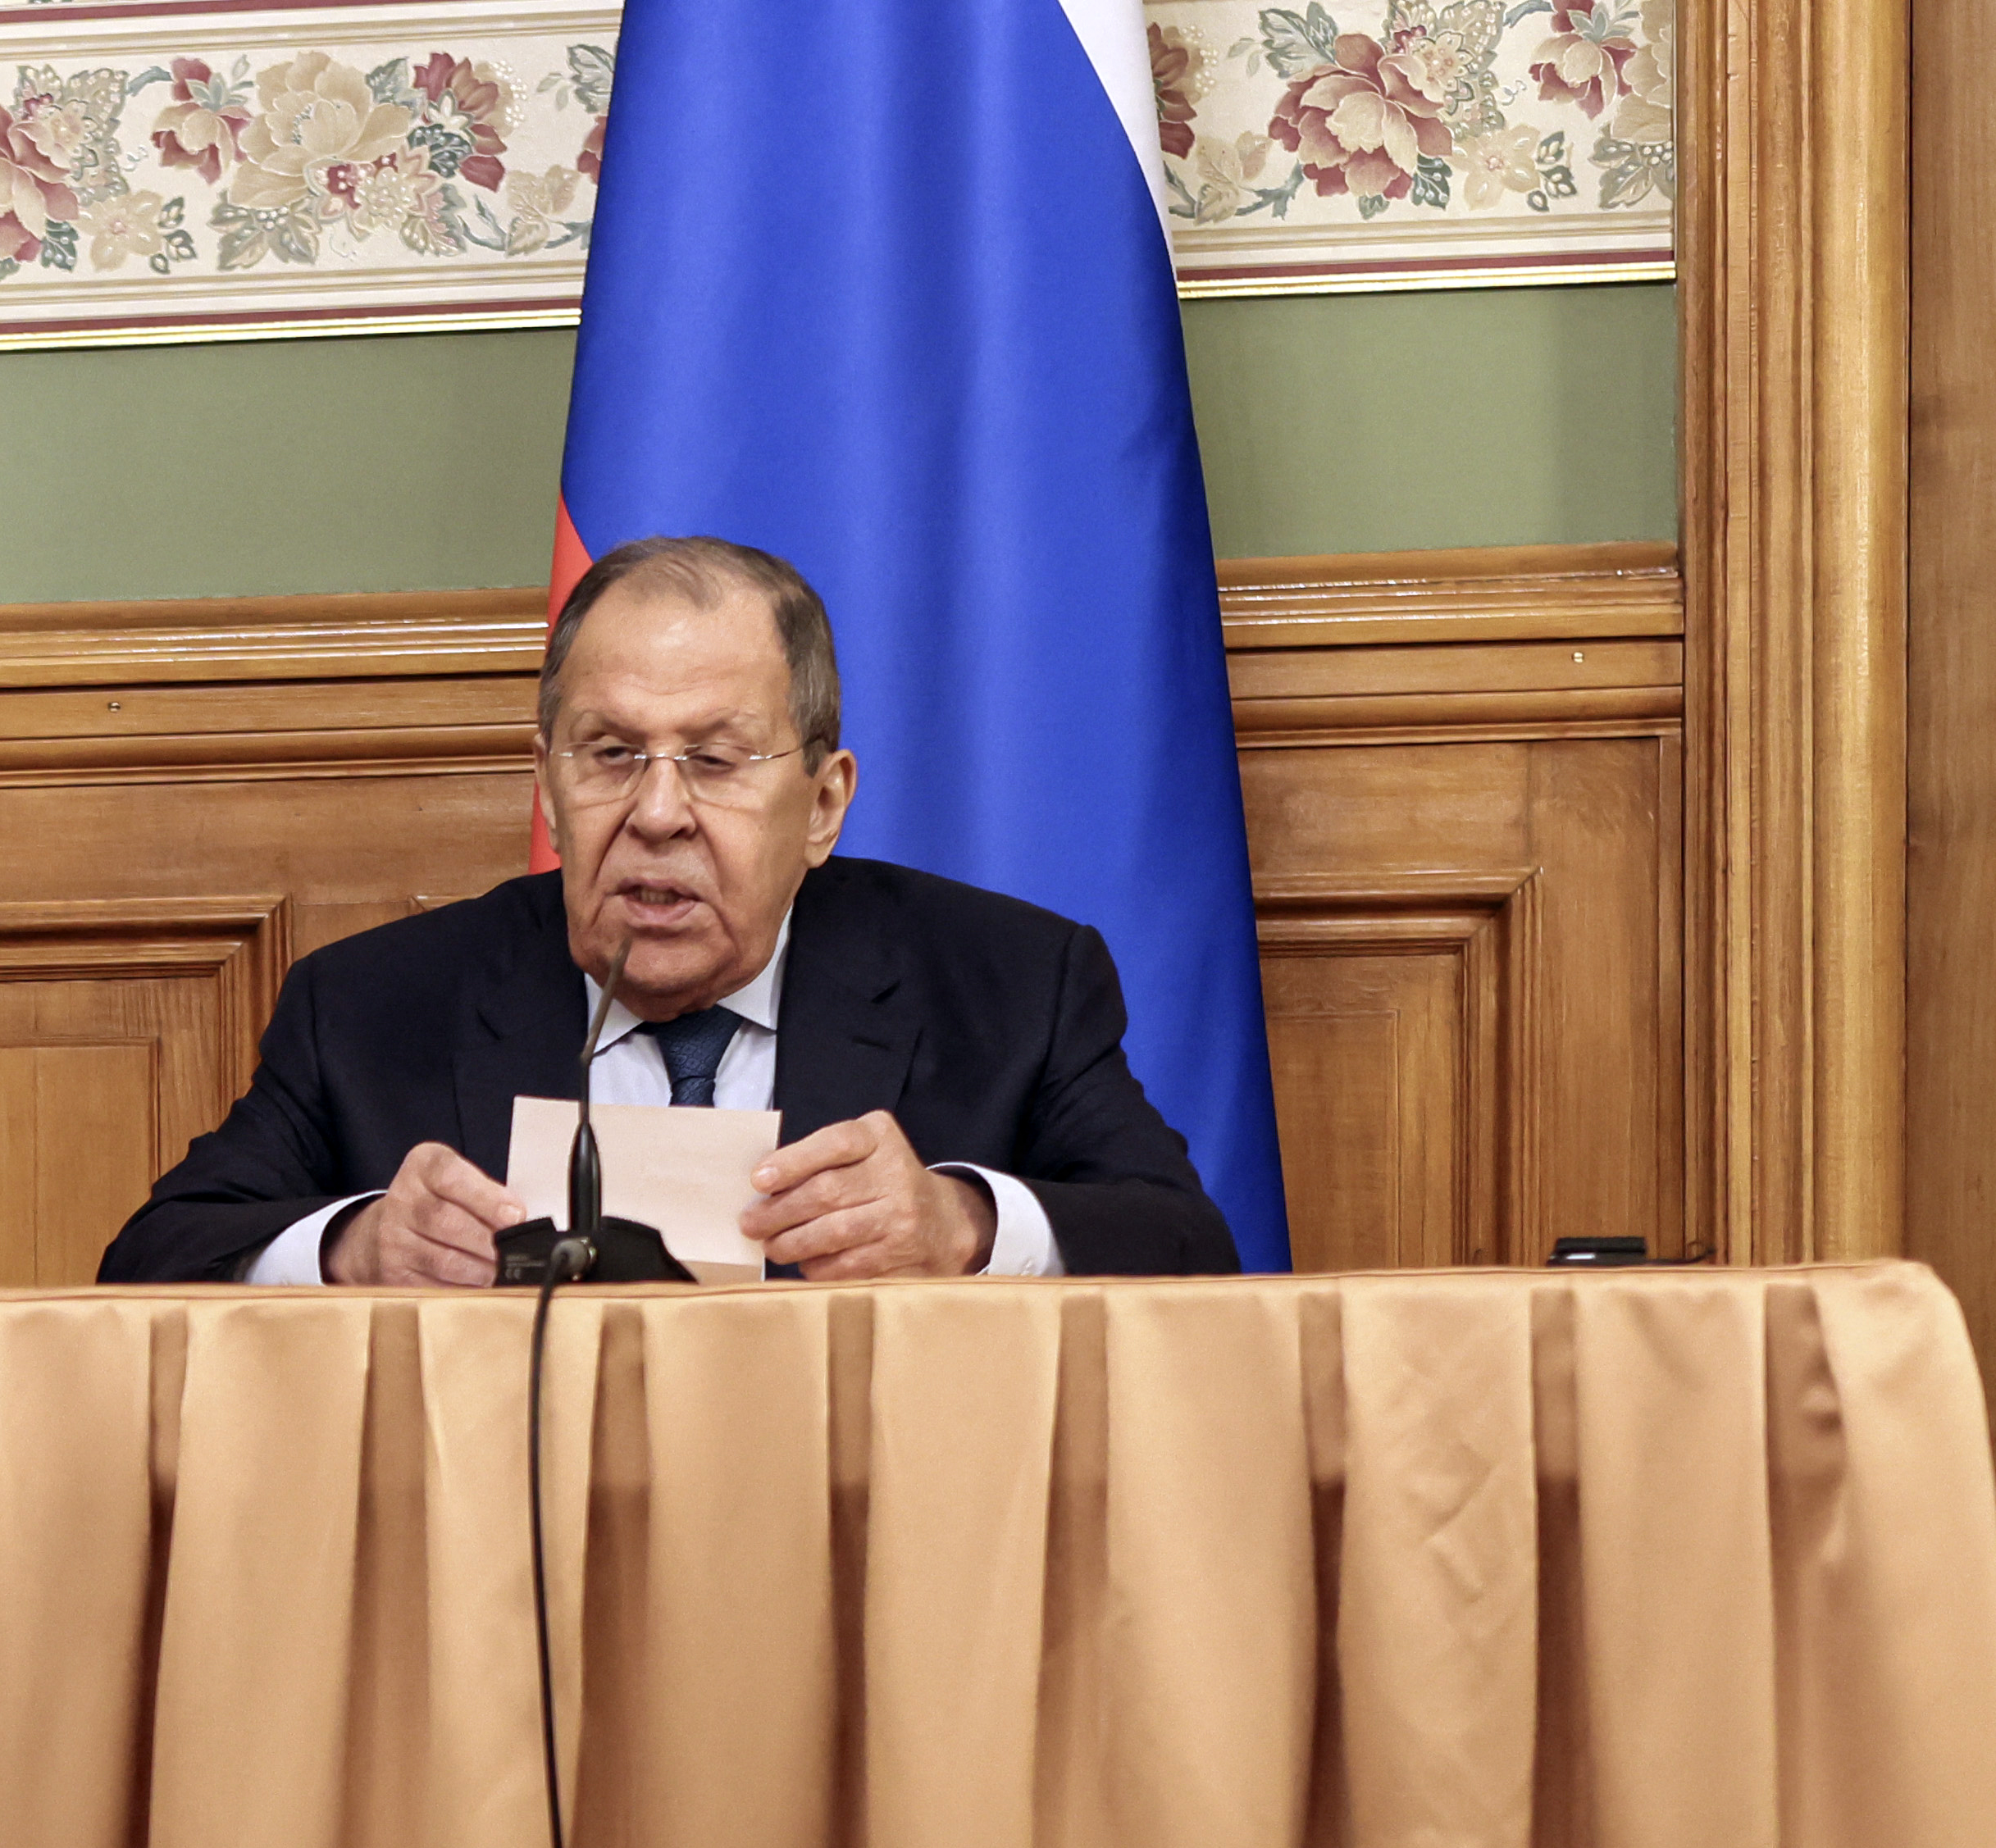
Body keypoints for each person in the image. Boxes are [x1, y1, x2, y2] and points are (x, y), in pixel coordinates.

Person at [100, 535, 1242, 1290]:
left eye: (716, 759)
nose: (657, 813)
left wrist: (966, 1229)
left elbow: (1189, 1249)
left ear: (823, 803)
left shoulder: (1006, 982)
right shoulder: (373, 1005)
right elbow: (149, 1262)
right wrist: (355, 1247)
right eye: (611, 755)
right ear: (547, 782)